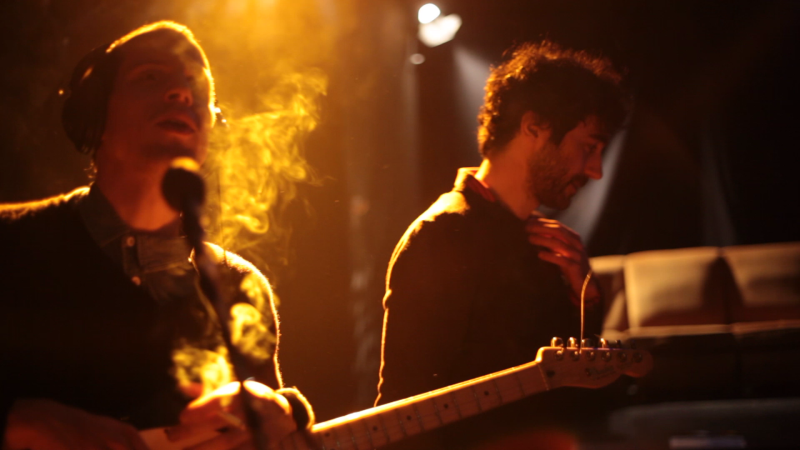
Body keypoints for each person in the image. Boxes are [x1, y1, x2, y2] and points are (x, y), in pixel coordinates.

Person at [0, 21, 311, 450]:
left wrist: (281, 418)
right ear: (94, 115)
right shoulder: (10, 245)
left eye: (197, 88)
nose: (182, 93)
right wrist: (16, 422)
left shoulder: (239, 287)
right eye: (150, 77)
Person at [376, 41, 629, 449]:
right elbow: (404, 410)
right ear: (534, 127)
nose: (596, 171)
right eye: (589, 147)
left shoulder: (545, 243)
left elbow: (575, 391)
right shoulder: (443, 235)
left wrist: (587, 297)